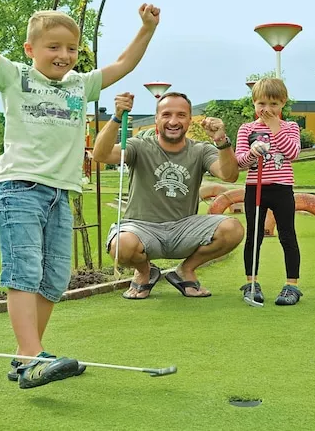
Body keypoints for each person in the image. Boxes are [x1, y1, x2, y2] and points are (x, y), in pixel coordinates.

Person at [0, 0, 160, 388]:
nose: (63, 54)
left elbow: (124, 63)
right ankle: (30, 355)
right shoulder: (14, 77)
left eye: (71, 48)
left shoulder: (81, 84)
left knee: (55, 278)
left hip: (61, 193)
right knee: (24, 271)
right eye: (53, 47)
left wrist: (146, 29)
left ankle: (29, 359)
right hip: (18, 188)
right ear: (31, 49)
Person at [92, 91, 244, 299]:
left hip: (184, 228)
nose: (173, 121)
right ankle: (145, 272)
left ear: (190, 120)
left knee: (232, 229)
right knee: (122, 247)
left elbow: (229, 175)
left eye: (181, 115)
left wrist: (220, 140)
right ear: (156, 118)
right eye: (166, 115)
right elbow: (100, 155)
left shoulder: (201, 150)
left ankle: (185, 270)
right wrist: (117, 116)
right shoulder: (139, 146)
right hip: (142, 227)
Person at [235, 78, 303, 306]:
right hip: (255, 188)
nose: (267, 109)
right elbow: (240, 163)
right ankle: (251, 282)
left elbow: (292, 153)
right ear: (254, 103)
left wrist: (275, 127)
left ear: (283, 103)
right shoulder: (247, 129)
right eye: (262, 103)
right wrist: (253, 152)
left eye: (274, 104)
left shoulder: (291, 127)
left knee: (287, 235)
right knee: (254, 236)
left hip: (282, 188)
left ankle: (292, 285)